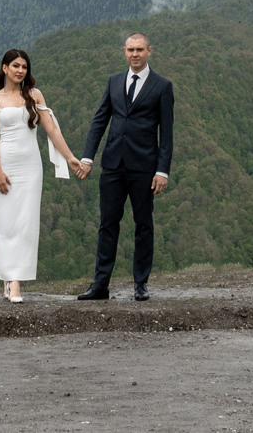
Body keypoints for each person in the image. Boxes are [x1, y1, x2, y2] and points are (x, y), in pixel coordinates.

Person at [71, 30, 174, 302]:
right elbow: (99, 120)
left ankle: (141, 284)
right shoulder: (114, 81)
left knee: (144, 225)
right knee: (107, 224)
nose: (135, 54)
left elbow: (167, 134)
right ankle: (100, 285)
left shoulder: (162, 86)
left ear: (149, 51)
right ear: (124, 52)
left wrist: (162, 171)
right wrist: (87, 157)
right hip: (113, 166)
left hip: (145, 168)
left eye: (139, 50)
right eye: (130, 50)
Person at [0, 48, 84, 302]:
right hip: (5, 165)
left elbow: (51, 129)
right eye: (15, 66)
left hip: (31, 167)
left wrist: (70, 157)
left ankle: (15, 280)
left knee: (26, 224)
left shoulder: (35, 95)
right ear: (4, 68)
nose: (20, 71)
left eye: (24, 67)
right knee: (5, 223)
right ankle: (10, 279)